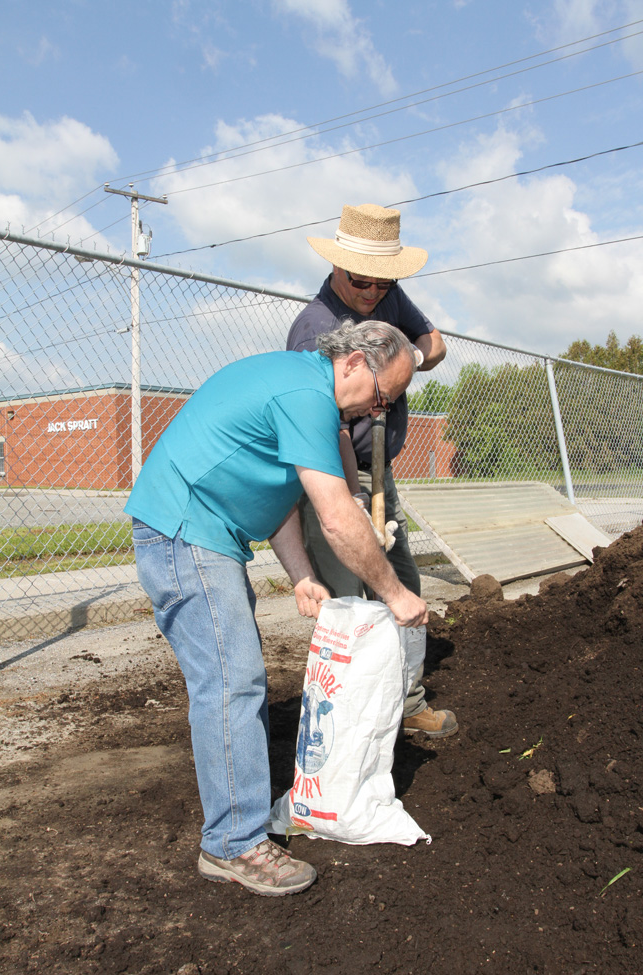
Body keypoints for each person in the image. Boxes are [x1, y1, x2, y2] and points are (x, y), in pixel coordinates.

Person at [124, 320, 429, 898]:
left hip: (201, 533)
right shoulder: (305, 395)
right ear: (357, 364)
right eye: (384, 395)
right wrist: (395, 593)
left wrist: (303, 576)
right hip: (184, 532)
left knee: (236, 679)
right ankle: (232, 845)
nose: (378, 410)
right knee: (232, 682)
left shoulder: (306, 391)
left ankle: (236, 831)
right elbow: (337, 517)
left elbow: (282, 497)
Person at [287, 203, 458, 738]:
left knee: (402, 581)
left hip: (383, 473)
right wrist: (352, 501)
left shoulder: (387, 297)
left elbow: (436, 345)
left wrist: (400, 361)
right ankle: (351, 720)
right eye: (361, 280)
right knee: (350, 597)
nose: (372, 292)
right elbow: (324, 427)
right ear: (337, 267)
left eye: (383, 283)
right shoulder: (314, 327)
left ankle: (405, 702)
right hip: (334, 475)